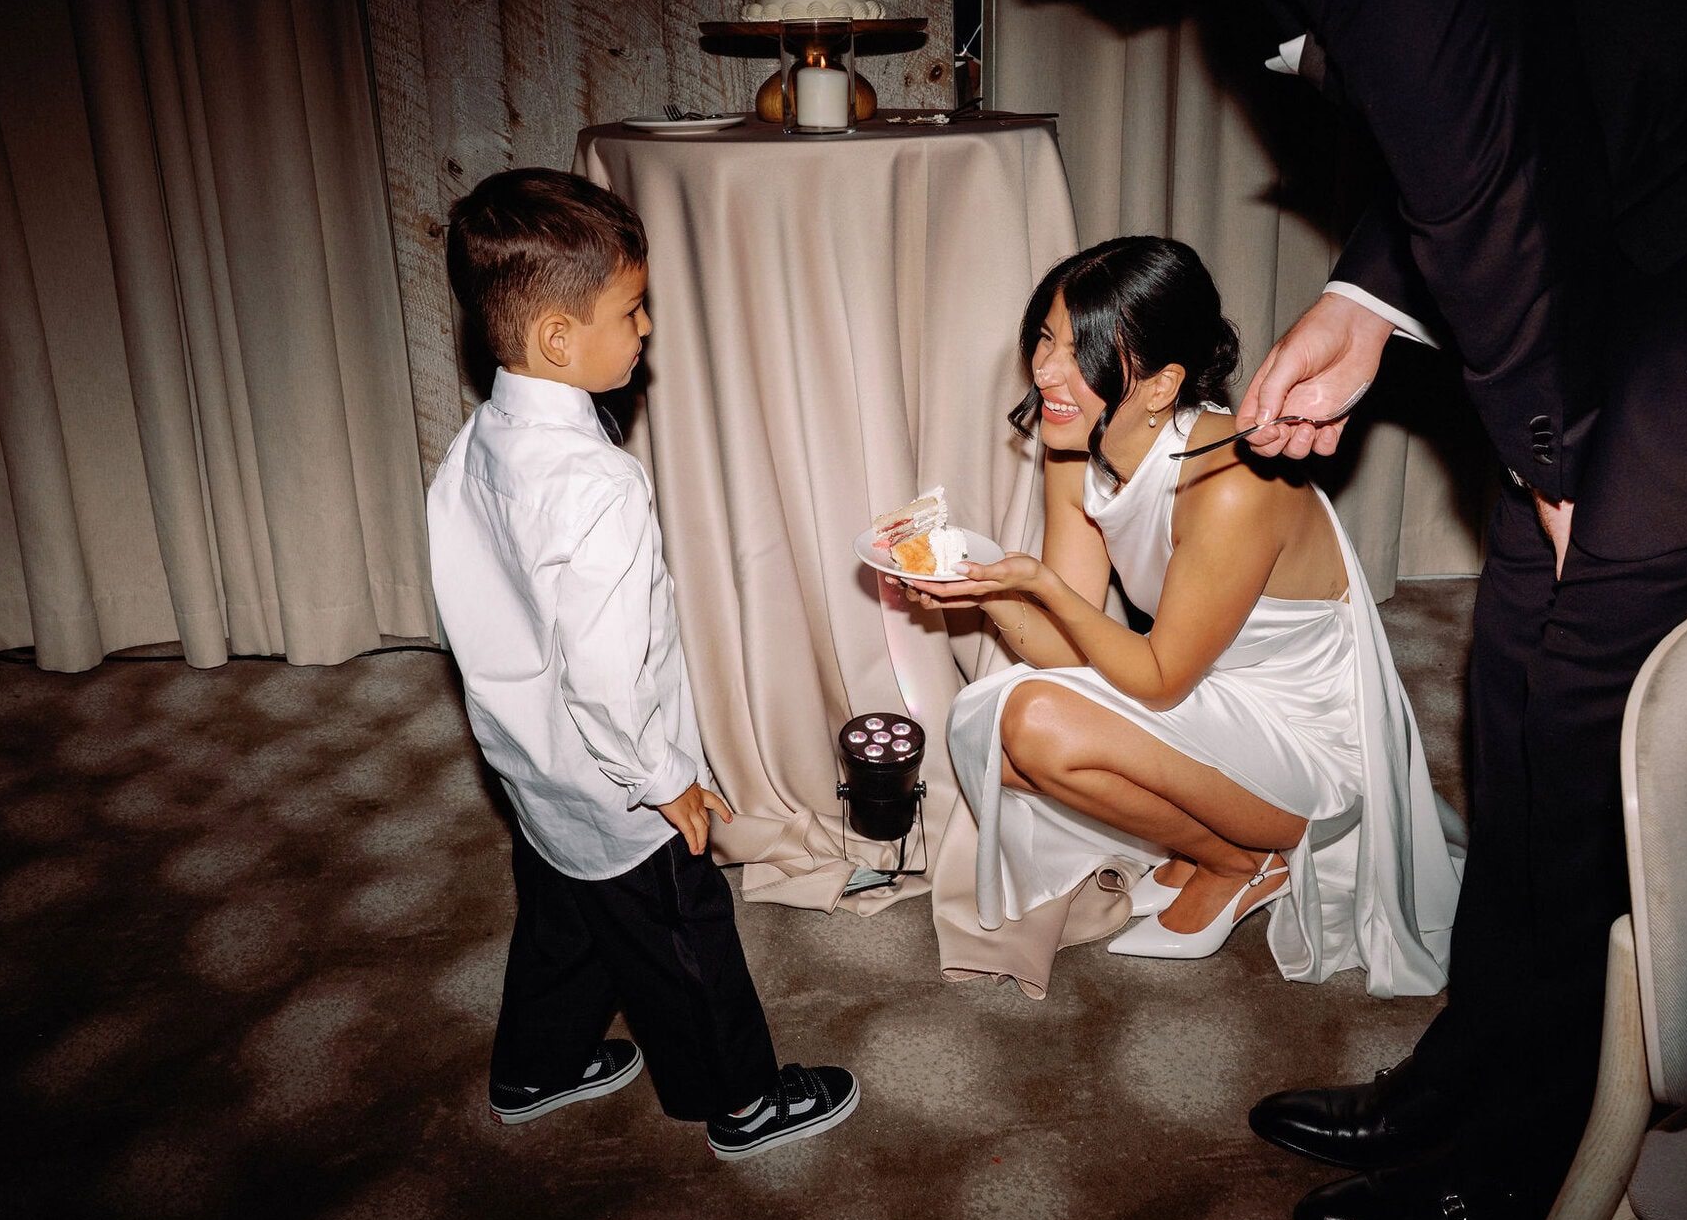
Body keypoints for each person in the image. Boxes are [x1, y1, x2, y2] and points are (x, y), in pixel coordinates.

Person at [1179, 0, 1687, 1220]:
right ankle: (1485, 1060)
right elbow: (1519, 45)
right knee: (1523, 644)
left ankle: (1541, 1151)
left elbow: (1464, 108)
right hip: (1669, 173)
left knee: (1596, 685)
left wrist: (1552, 453)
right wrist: (1371, 300)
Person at [427, 168, 858, 1160]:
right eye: (632, 310)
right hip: (621, 785)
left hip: (534, 768)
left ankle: (534, 1065)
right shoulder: (596, 486)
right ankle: (741, 1098)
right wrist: (668, 781)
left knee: (564, 917)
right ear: (556, 339)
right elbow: (612, 675)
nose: (647, 328)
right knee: (682, 936)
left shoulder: (478, 441)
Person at [902, 236, 1463, 994]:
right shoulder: (1078, 441)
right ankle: (1231, 856)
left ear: (1164, 384)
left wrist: (1038, 585)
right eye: (1045, 339)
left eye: (1081, 350)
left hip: (1313, 738)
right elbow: (1067, 652)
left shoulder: (1229, 484)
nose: (1046, 370)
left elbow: (1158, 679)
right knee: (993, 741)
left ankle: (1243, 860)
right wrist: (982, 592)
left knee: (1025, 721)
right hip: (1204, 688)